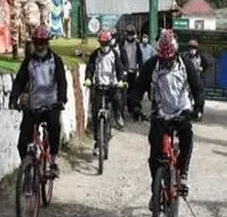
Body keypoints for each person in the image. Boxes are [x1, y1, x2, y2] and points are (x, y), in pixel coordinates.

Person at [128, 29, 204, 200]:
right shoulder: (152, 64)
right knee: (154, 154)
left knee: (187, 137)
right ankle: (156, 189)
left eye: (169, 59)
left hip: (181, 109)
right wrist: (135, 106)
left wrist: (198, 108)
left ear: (175, 53)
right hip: (160, 112)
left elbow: (197, 87)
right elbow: (139, 87)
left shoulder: (185, 64)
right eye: (164, 59)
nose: (166, 62)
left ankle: (183, 174)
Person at [9, 25, 67, 178]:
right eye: (37, 42)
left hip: (51, 105)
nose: (40, 45)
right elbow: (19, 81)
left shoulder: (56, 61)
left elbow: (62, 82)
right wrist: (13, 99)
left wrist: (61, 100)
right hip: (34, 106)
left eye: (43, 42)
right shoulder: (29, 61)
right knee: (22, 143)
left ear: (47, 43)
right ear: (34, 43)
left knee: (54, 126)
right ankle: (28, 168)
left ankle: (54, 161)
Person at [84, 30, 127, 152]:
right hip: (99, 86)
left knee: (117, 100)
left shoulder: (114, 54)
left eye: (106, 43)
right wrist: (88, 79)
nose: (104, 46)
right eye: (101, 44)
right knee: (95, 111)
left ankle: (118, 115)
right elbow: (90, 68)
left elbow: (120, 68)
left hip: (111, 86)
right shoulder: (95, 54)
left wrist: (120, 80)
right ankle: (98, 140)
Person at [120, 24, 142, 107]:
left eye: (131, 35)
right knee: (123, 89)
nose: (130, 37)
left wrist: (139, 69)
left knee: (133, 89)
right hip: (124, 70)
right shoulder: (122, 44)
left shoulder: (136, 45)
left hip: (133, 70)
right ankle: (122, 105)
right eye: (128, 35)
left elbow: (139, 58)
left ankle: (131, 106)